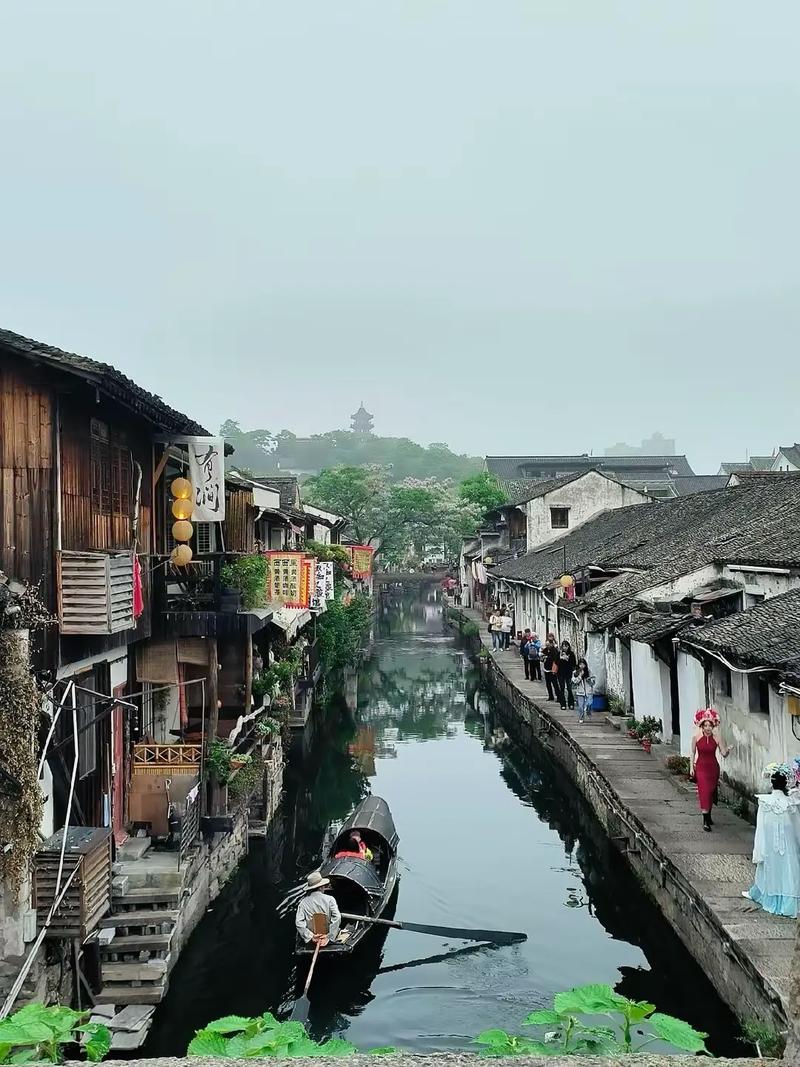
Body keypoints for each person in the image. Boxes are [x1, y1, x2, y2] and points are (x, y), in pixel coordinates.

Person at [744, 766, 800, 917]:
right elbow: (797, 830)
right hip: (789, 848)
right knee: (789, 872)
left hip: (769, 848)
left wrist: (758, 851)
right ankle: (788, 903)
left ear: (772, 783)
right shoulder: (791, 804)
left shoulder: (765, 803)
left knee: (770, 871)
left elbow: (760, 829)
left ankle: (767, 896)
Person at [690, 708, 730, 831]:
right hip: (701, 767)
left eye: (710, 726)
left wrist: (728, 749)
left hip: (713, 767)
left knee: (711, 791)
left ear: (713, 726)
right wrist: (691, 767)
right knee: (704, 792)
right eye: (705, 725)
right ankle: (705, 820)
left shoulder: (717, 737)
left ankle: (709, 815)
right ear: (701, 726)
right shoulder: (696, 737)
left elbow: (723, 753)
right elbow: (692, 753)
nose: (707, 728)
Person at [295, 871, 341, 946]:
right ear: (320, 887)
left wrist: (311, 936)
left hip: (313, 937)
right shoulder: (330, 899)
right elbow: (337, 917)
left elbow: (299, 923)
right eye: (323, 886)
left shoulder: (303, 903)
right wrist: (329, 937)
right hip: (327, 935)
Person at [572, 658, 595, 723]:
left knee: (589, 703)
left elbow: (593, 682)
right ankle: (581, 717)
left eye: (583, 664)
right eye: (580, 664)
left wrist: (589, 680)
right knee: (580, 706)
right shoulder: (575, 672)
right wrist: (580, 676)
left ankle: (588, 711)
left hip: (588, 691)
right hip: (580, 691)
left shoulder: (589, 671)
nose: (582, 666)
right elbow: (574, 682)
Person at [558, 640, 577, 710]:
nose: (564, 648)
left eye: (566, 646)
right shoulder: (559, 653)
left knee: (569, 688)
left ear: (568, 646)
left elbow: (574, 663)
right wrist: (561, 659)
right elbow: (556, 662)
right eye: (563, 646)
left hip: (568, 673)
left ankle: (571, 704)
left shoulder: (571, 654)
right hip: (560, 673)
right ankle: (563, 704)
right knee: (562, 688)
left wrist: (567, 659)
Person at [542, 634, 560, 702]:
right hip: (546, 669)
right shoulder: (546, 650)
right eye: (546, 645)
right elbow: (542, 655)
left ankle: (558, 697)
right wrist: (543, 657)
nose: (547, 646)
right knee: (548, 684)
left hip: (552, 669)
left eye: (548, 644)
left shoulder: (554, 650)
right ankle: (550, 696)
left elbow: (555, 659)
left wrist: (547, 657)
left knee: (555, 684)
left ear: (551, 644)